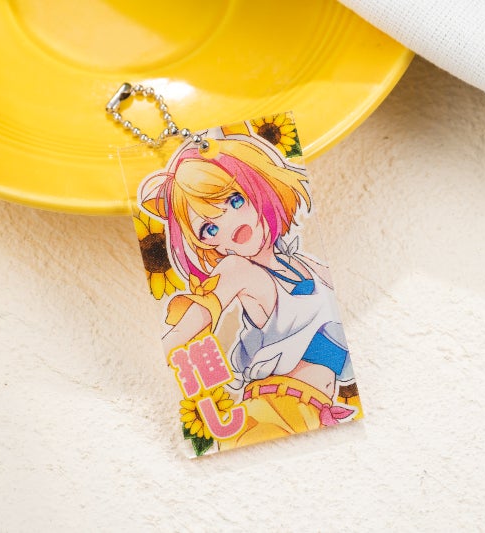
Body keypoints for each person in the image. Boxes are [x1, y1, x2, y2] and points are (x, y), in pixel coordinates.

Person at [139, 131, 358, 449]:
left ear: (260, 188)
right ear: (207, 243)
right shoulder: (237, 270)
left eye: (235, 201)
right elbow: (187, 326)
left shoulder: (308, 266)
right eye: (209, 228)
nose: (230, 226)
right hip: (274, 411)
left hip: (314, 411)